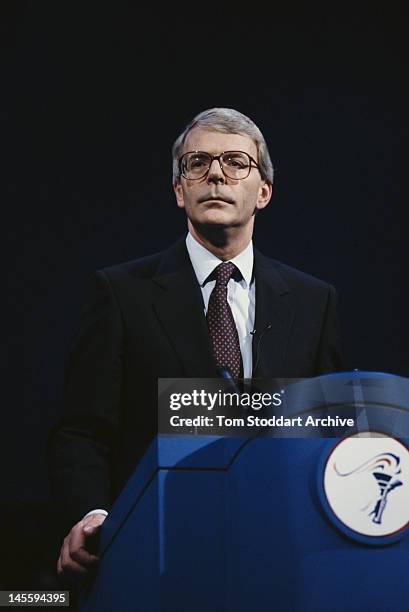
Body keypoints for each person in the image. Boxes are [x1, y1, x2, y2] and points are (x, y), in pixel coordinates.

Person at [48, 107, 343, 576]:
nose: (216, 175)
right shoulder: (120, 293)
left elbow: (328, 432)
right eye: (197, 163)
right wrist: (94, 515)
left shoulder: (313, 301)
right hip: (152, 550)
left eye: (236, 163)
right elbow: (82, 432)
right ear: (179, 190)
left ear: (263, 191)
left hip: (276, 552)